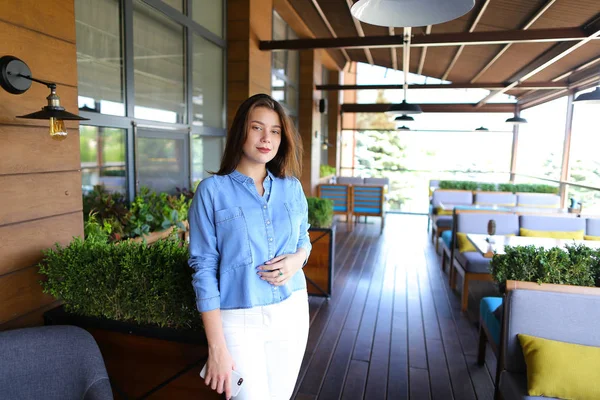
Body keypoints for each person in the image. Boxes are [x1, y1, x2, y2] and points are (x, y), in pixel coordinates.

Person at [188, 93, 312, 400]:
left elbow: (304, 241)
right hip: (238, 320)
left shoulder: (292, 188)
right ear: (240, 131)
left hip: (292, 309)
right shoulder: (212, 192)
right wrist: (216, 347)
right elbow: (203, 268)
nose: (266, 138)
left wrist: (298, 260)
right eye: (257, 128)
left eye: (275, 131)